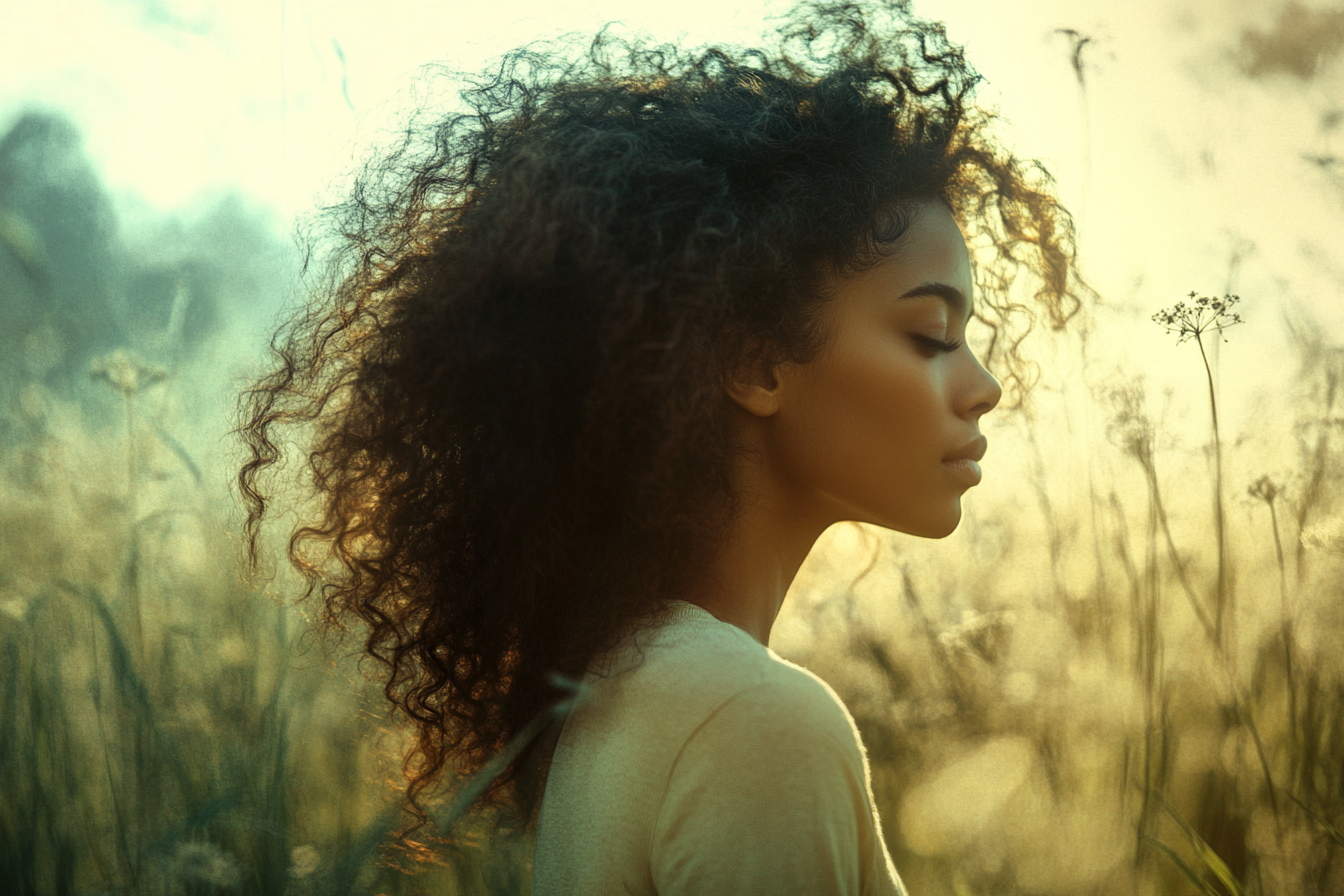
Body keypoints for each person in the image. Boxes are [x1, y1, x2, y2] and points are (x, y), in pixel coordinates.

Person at [237, 1, 1084, 892]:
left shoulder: (623, 685)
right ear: (755, 361)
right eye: (930, 334)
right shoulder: (750, 721)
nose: (985, 385)